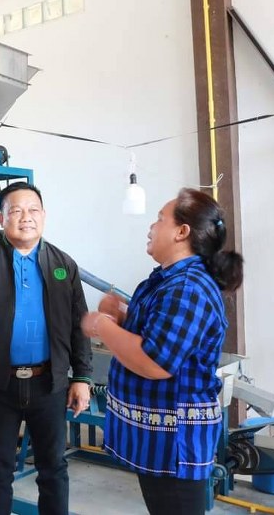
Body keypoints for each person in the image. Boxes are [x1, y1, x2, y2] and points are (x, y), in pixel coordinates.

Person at [81, 188, 243, 515]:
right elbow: (158, 333)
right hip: (158, 442)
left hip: (174, 444)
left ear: (181, 232)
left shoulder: (188, 287)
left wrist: (102, 326)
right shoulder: (167, 280)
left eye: (159, 219)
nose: (151, 227)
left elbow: (155, 362)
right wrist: (122, 317)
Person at [0, 181, 92, 515]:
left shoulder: (63, 264)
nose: (25, 217)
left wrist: (82, 377)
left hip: (49, 384)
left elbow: (80, 324)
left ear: (44, 215)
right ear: (1, 218)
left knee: (53, 467)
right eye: (15, 210)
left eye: (33, 210)